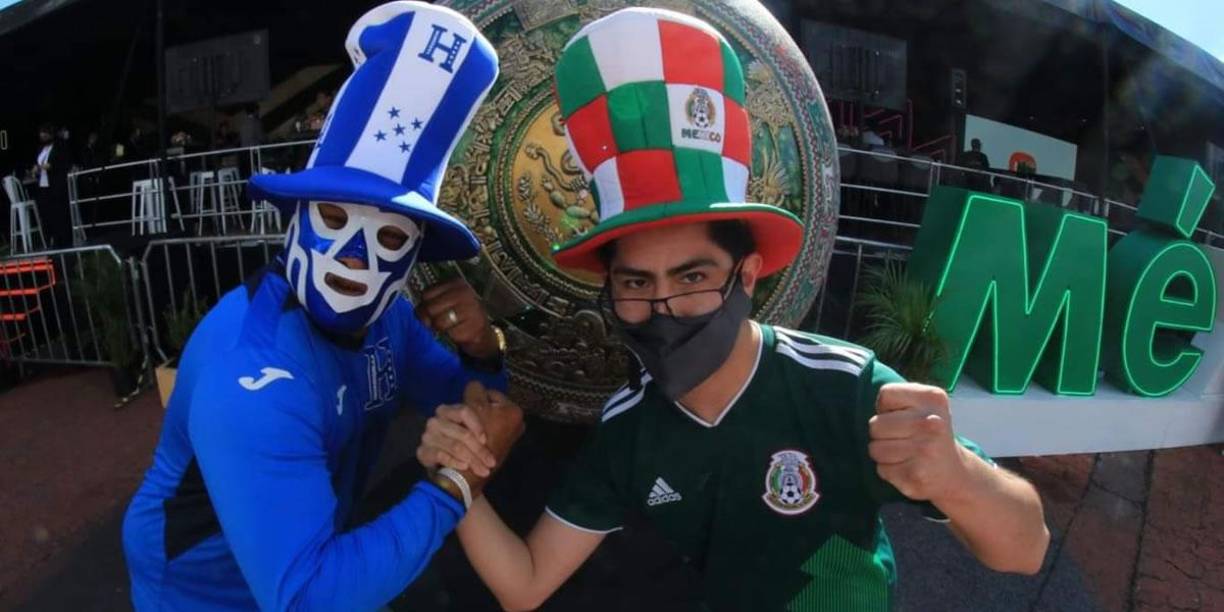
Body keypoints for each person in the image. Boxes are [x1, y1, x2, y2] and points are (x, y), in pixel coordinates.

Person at [417, 9, 1050, 612]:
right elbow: (524, 586)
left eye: (693, 276)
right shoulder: (631, 429)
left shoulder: (842, 389)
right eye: (636, 283)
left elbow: (1025, 551)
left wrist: (957, 474)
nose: (663, 307)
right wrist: (459, 479)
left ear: (746, 275)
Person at [121, 3, 510, 610]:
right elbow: (308, 597)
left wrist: (484, 349)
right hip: (202, 592)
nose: (355, 256)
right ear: (296, 216)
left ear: (413, 255)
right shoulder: (251, 371)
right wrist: (456, 485)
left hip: (309, 556)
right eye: (335, 217)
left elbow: (473, 405)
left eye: (388, 236)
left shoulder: (390, 322)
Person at [32, 124, 73, 247]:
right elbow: (40, 164)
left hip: (56, 184)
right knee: (48, 213)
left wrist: (41, 167)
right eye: (41, 133)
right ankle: (52, 238)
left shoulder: (58, 146)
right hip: (44, 185)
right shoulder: (41, 149)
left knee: (59, 212)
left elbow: (52, 164)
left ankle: (64, 240)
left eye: (45, 133)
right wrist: (36, 169)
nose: (42, 135)